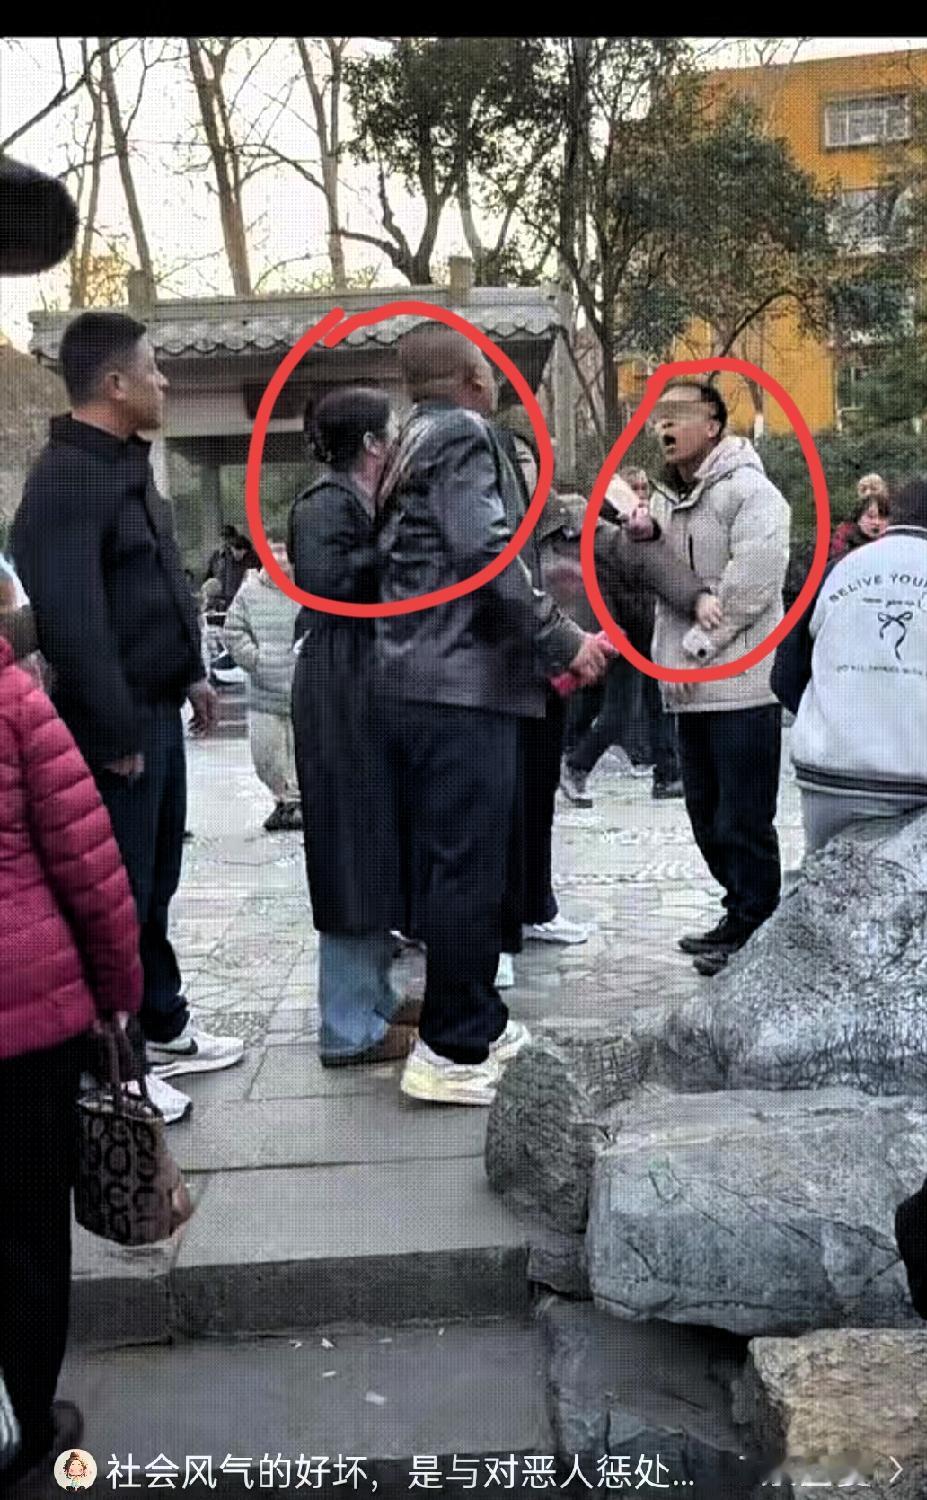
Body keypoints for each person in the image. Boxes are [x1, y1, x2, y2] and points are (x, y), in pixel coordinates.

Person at [12, 311, 243, 1122]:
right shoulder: (66, 482)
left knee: (154, 883)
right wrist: (112, 734)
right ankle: (109, 1068)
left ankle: (162, 1018)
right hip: (112, 726)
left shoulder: (124, 468)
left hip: (156, 708)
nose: (164, 381)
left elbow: (157, 585)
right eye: (152, 369)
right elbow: (72, 621)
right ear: (113, 383)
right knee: (113, 894)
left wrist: (193, 675)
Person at [376, 322, 609, 1106]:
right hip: (461, 683)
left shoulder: (410, 438)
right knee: (468, 868)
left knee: (461, 862)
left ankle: (476, 1016)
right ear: (473, 376)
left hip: (428, 678)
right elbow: (487, 554)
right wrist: (562, 638)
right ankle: (450, 1050)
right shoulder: (465, 436)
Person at [0, 631, 142, 1492]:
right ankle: (23, 1427)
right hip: (22, 1020)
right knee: (25, 1231)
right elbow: (87, 866)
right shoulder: (15, 703)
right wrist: (119, 993)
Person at [642, 380, 791, 977]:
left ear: (713, 425)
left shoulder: (753, 493)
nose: (665, 426)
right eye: (660, 416)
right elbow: (660, 581)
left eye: (679, 415)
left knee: (742, 816)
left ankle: (757, 924)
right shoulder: (664, 500)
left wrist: (697, 649)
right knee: (704, 813)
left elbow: (752, 584)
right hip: (686, 690)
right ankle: (738, 912)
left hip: (741, 685)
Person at [289, 389, 416, 1068]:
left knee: (372, 847)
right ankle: (346, 1024)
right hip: (340, 690)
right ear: (371, 444)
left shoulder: (361, 503)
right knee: (349, 850)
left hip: (365, 683)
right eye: (393, 433)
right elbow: (325, 583)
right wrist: (393, 548)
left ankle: (374, 998)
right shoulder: (324, 506)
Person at [772, 477, 927, 853]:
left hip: (831, 775)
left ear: (893, 517)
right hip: (917, 779)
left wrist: (831, 717)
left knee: (827, 875)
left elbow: (784, 674)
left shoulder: (836, 570)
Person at [554, 489, 720, 807]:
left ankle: (667, 773)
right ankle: (577, 765)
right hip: (624, 634)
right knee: (620, 710)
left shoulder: (614, 539)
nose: (640, 500)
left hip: (640, 629)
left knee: (658, 704)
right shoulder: (602, 541)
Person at [223, 534, 302, 832]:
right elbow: (233, 631)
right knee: (267, 755)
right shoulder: (249, 592)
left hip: (302, 690)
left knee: (301, 752)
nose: (279, 559)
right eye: (273, 552)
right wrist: (255, 659)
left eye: (283, 552)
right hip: (264, 693)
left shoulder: (308, 588)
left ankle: (296, 802)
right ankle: (282, 800)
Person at [829, 475, 890, 560]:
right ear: (858, 517)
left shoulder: (891, 540)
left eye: (882, 517)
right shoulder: (842, 539)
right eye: (871, 517)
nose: (877, 522)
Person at [207, 529, 260, 610]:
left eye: (239, 551)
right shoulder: (225, 558)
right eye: (233, 551)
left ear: (245, 550)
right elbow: (220, 577)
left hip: (245, 596)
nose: (236, 554)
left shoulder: (253, 559)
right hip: (228, 597)